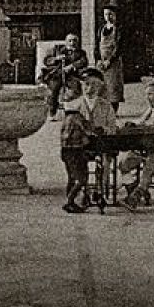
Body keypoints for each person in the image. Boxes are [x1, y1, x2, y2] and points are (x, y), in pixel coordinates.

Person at [117, 79, 154, 207]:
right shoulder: (150, 109)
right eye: (147, 94)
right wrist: (132, 124)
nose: (148, 98)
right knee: (124, 163)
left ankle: (137, 195)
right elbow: (140, 121)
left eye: (151, 94)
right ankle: (133, 189)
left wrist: (146, 124)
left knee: (150, 165)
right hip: (144, 146)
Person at [59, 86, 93, 214]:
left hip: (66, 151)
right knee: (81, 179)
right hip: (75, 151)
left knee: (71, 177)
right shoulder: (77, 118)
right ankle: (70, 201)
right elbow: (88, 131)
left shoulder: (66, 120)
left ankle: (72, 200)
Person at [39, 33, 88, 120]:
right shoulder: (58, 50)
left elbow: (84, 62)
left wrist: (72, 66)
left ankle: (74, 112)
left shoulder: (81, 52)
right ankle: (52, 113)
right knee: (53, 90)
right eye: (70, 41)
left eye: (74, 41)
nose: (72, 43)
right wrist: (56, 59)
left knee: (75, 90)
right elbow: (46, 61)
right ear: (66, 42)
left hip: (73, 76)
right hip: (58, 75)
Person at [96, 2, 124, 112]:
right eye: (106, 15)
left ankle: (113, 111)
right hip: (102, 62)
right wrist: (98, 59)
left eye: (110, 14)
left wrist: (110, 60)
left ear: (115, 15)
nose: (108, 17)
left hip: (113, 62)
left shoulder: (118, 29)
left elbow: (119, 47)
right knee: (102, 87)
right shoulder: (101, 29)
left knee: (113, 88)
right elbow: (97, 45)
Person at [78, 68, 117, 132]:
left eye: (94, 84)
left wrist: (104, 130)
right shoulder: (75, 106)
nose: (90, 88)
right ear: (81, 84)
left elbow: (112, 128)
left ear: (100, 86)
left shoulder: (106, 106)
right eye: (87, 84)